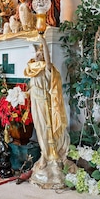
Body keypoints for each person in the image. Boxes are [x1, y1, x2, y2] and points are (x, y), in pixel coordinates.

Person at [24, 35, 73, 189]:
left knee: (47, 129)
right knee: (39, 130)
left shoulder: (47, 68)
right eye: (37, 52)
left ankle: (51, 156)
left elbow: (48, 59)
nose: (39, 54)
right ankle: (44, 155)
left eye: (41, 53)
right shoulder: (31, 69)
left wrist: (43, 41)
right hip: (35, 103)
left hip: (45, 104)